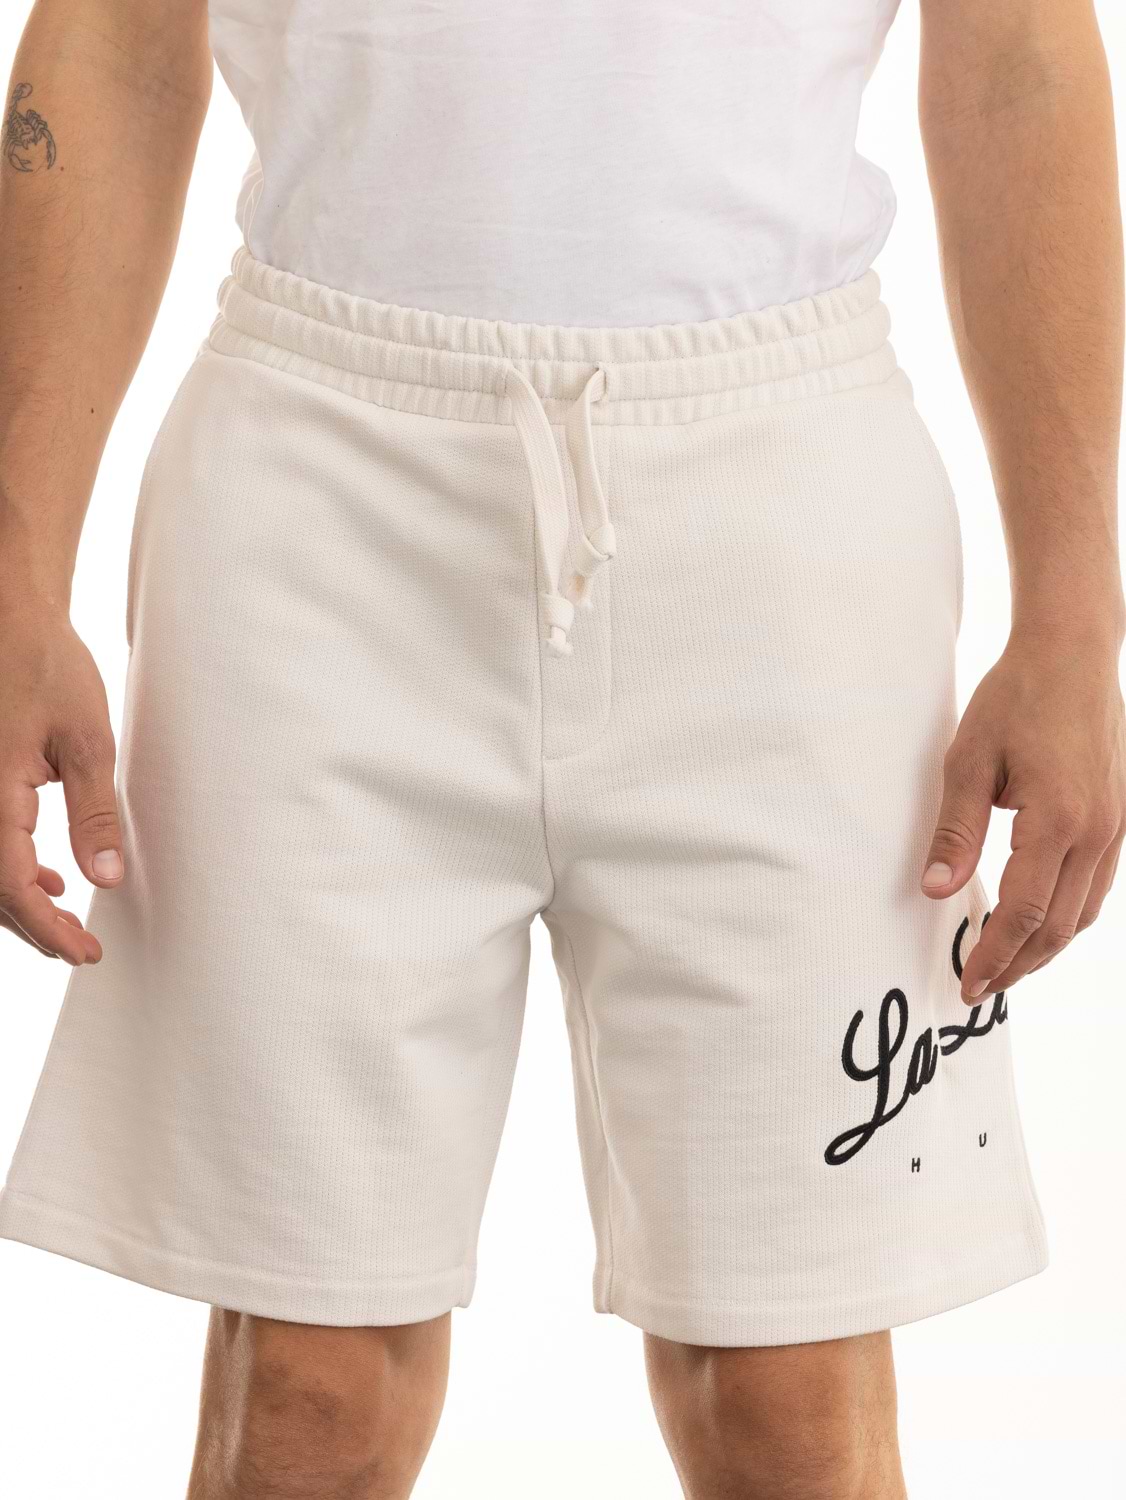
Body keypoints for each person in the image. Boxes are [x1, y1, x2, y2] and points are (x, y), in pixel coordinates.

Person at [0, 1, 1123, 1495]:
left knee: (787, 1403)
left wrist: (1073, 618)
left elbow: (1019, 57)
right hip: (313, 493)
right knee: (311, 1396)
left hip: (785, 515)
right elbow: (116, 39)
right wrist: (14, 575)